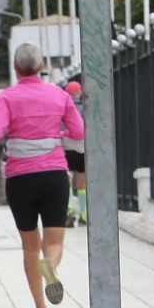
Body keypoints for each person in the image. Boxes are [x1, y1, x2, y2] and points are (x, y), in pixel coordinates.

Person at [0, 43, 84, 308]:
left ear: (16, 69)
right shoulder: (59, 95)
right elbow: (79, 131)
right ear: (40, 67)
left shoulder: (6, 98)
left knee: (29, 246)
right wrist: (58, 133)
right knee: (54, 241)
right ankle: (50, 265)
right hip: (53, 175)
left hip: (20, 179)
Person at [61, 74, 87, 226]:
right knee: (82, 183)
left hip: (65, 148)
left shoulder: (63, 109)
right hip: (82, 149)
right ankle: (84, 213)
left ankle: (69, 209)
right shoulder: (85, 108)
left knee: (68, 180)